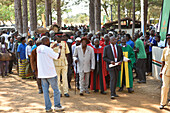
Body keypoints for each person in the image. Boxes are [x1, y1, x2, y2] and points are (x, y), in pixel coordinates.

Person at [37, 36, 65, 112]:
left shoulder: (38, 48)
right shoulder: (48, 49)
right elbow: (57, 57)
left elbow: (46, 52)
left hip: (42, 74)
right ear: (46, 41)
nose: (49, 42)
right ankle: (57, 106)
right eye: (48, 41)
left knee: (45, 91)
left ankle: (48, 107)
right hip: (50, 73)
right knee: (56, 90)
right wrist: (60, 49)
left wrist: (52, 48)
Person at [159, 36, 170, 109]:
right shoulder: (165, 50)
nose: (169, 41)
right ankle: (163, 103)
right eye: (168, 40)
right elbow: (163, 61)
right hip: (166, 71)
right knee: (164, 87)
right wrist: (161, 71)